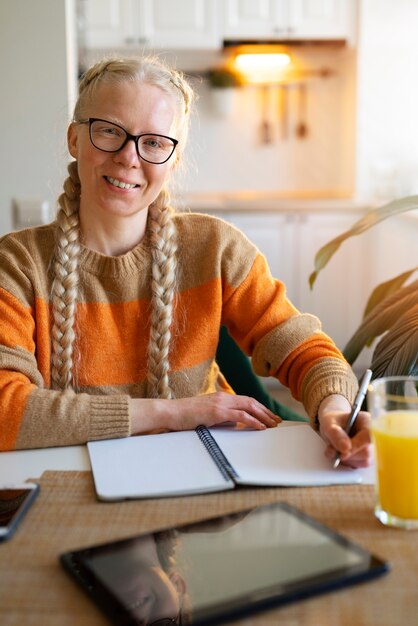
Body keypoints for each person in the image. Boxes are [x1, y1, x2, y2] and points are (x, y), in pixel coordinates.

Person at [0, 55, 371, 467]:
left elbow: (304, 349)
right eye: (109, 131)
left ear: (174, 159)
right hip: (67, 486)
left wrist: (336, 407)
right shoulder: (17, 264)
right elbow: (4, 410)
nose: (129, 157)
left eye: (154, 142)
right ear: (75, 138)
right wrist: (173, 413)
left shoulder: (215, 248)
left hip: (207, 472)